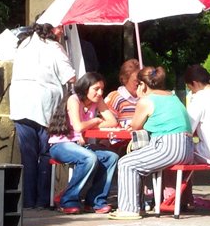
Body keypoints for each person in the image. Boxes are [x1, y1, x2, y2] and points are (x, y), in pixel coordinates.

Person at [110, 66, 193, 220]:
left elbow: (135, 125)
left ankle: (129, 209)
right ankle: (138, 206)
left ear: (143, 85)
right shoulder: (172, 96)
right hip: (187, 147)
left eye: (138, 85)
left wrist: (141, 98)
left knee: (127, 163)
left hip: (169, 146)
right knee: (138, 163)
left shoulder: (146, 101)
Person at [9, 22, 76, 209]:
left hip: (21, 106)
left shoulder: (23, 44)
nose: (62, 32)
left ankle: (28, 202)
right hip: (45, 108)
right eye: (60, 28)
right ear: (51, 28)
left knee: (28, 157)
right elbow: (70, 77)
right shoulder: (54, 47)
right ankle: (43, 201)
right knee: (46, 154)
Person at [47, 72, 119, 214]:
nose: (100, 93)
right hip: (61, 145)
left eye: (102, 89)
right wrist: (96, 120)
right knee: (89, 158)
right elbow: (78, 127)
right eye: (96, 89)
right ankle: (68, 200)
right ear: (86, 88)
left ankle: (95, 201)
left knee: (111, 157)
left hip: (80, 145)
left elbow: (113, 122)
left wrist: (90, 125)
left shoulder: (97, 101)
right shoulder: (74, 100)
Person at [105, 58, 141, 126]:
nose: (139, 84)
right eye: (136, 81)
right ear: (124, 80)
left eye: (141, 81)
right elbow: (107, 123)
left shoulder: (146, 99)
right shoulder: (115, 97)